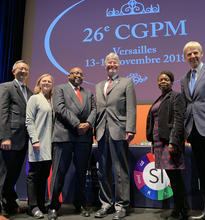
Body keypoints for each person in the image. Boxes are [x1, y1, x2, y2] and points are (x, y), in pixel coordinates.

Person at [47, 67, 96, 220]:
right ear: (68, 75)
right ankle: (53, 206)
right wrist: (77, 124)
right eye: (75, 73)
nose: (78, 75)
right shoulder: (60, 89)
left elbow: (95, 109)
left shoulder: (88, 92)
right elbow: (60, 108)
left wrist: (88, 123)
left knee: (81, 173)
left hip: (84, 137)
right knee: (59, 173)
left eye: (80, 74)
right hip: (64, 136)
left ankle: (80, 204)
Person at [181, 41, 205, 220]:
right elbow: (187, 106)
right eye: (189, 54)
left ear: (202, 53)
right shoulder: (184, 79)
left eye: (195, 53)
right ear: (185, 57)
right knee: (203, 175)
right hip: (194, 132)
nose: (192, 56)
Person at [95, 52, 136, 220]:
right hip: (101, 131)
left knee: (120, 170)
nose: (111, 65)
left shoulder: (127, 82)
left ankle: (121, 205)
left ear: (118, 65)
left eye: (114, 63)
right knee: (103, 170)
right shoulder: (98, 85)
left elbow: (131, 107)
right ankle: (106, 204)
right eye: (108, 63)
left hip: (119, 130)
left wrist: (131, 129)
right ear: (105, 66)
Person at [146, 70, 188, 220]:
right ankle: (181, 207)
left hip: (170, 142)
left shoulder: (176, 97)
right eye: (160, 79)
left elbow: (178, 119)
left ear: (171, 82)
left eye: (166, 79)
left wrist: (174, 141)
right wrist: (152, 141)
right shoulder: (159, 99)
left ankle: (181, 210)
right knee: (172, 176)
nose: (163, 81)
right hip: (159, 142)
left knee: (175, 177)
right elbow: (154, 121)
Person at [0, 60, 33, 217]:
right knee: (3, 175)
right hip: (9, 140)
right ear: (13, 71)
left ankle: (10, 205)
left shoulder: (29, 92)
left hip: (23, 141)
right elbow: (2, 112)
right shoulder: (6, 87)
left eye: (26, 69)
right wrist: (4, 137)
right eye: (20, 68)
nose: (23, 71)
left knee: (13, 175)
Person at [26, 74, 54, 218]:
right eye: (44, 80)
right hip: (37, 143)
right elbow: (29, 120)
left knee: (43, 176)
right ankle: (32, 206)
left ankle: (42, 205)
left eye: (49, 81)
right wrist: (35, 140)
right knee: (33, 175)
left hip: (49, 146)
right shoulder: (34, 98)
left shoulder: (52, 101)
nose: (47, 83)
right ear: (39, 83)